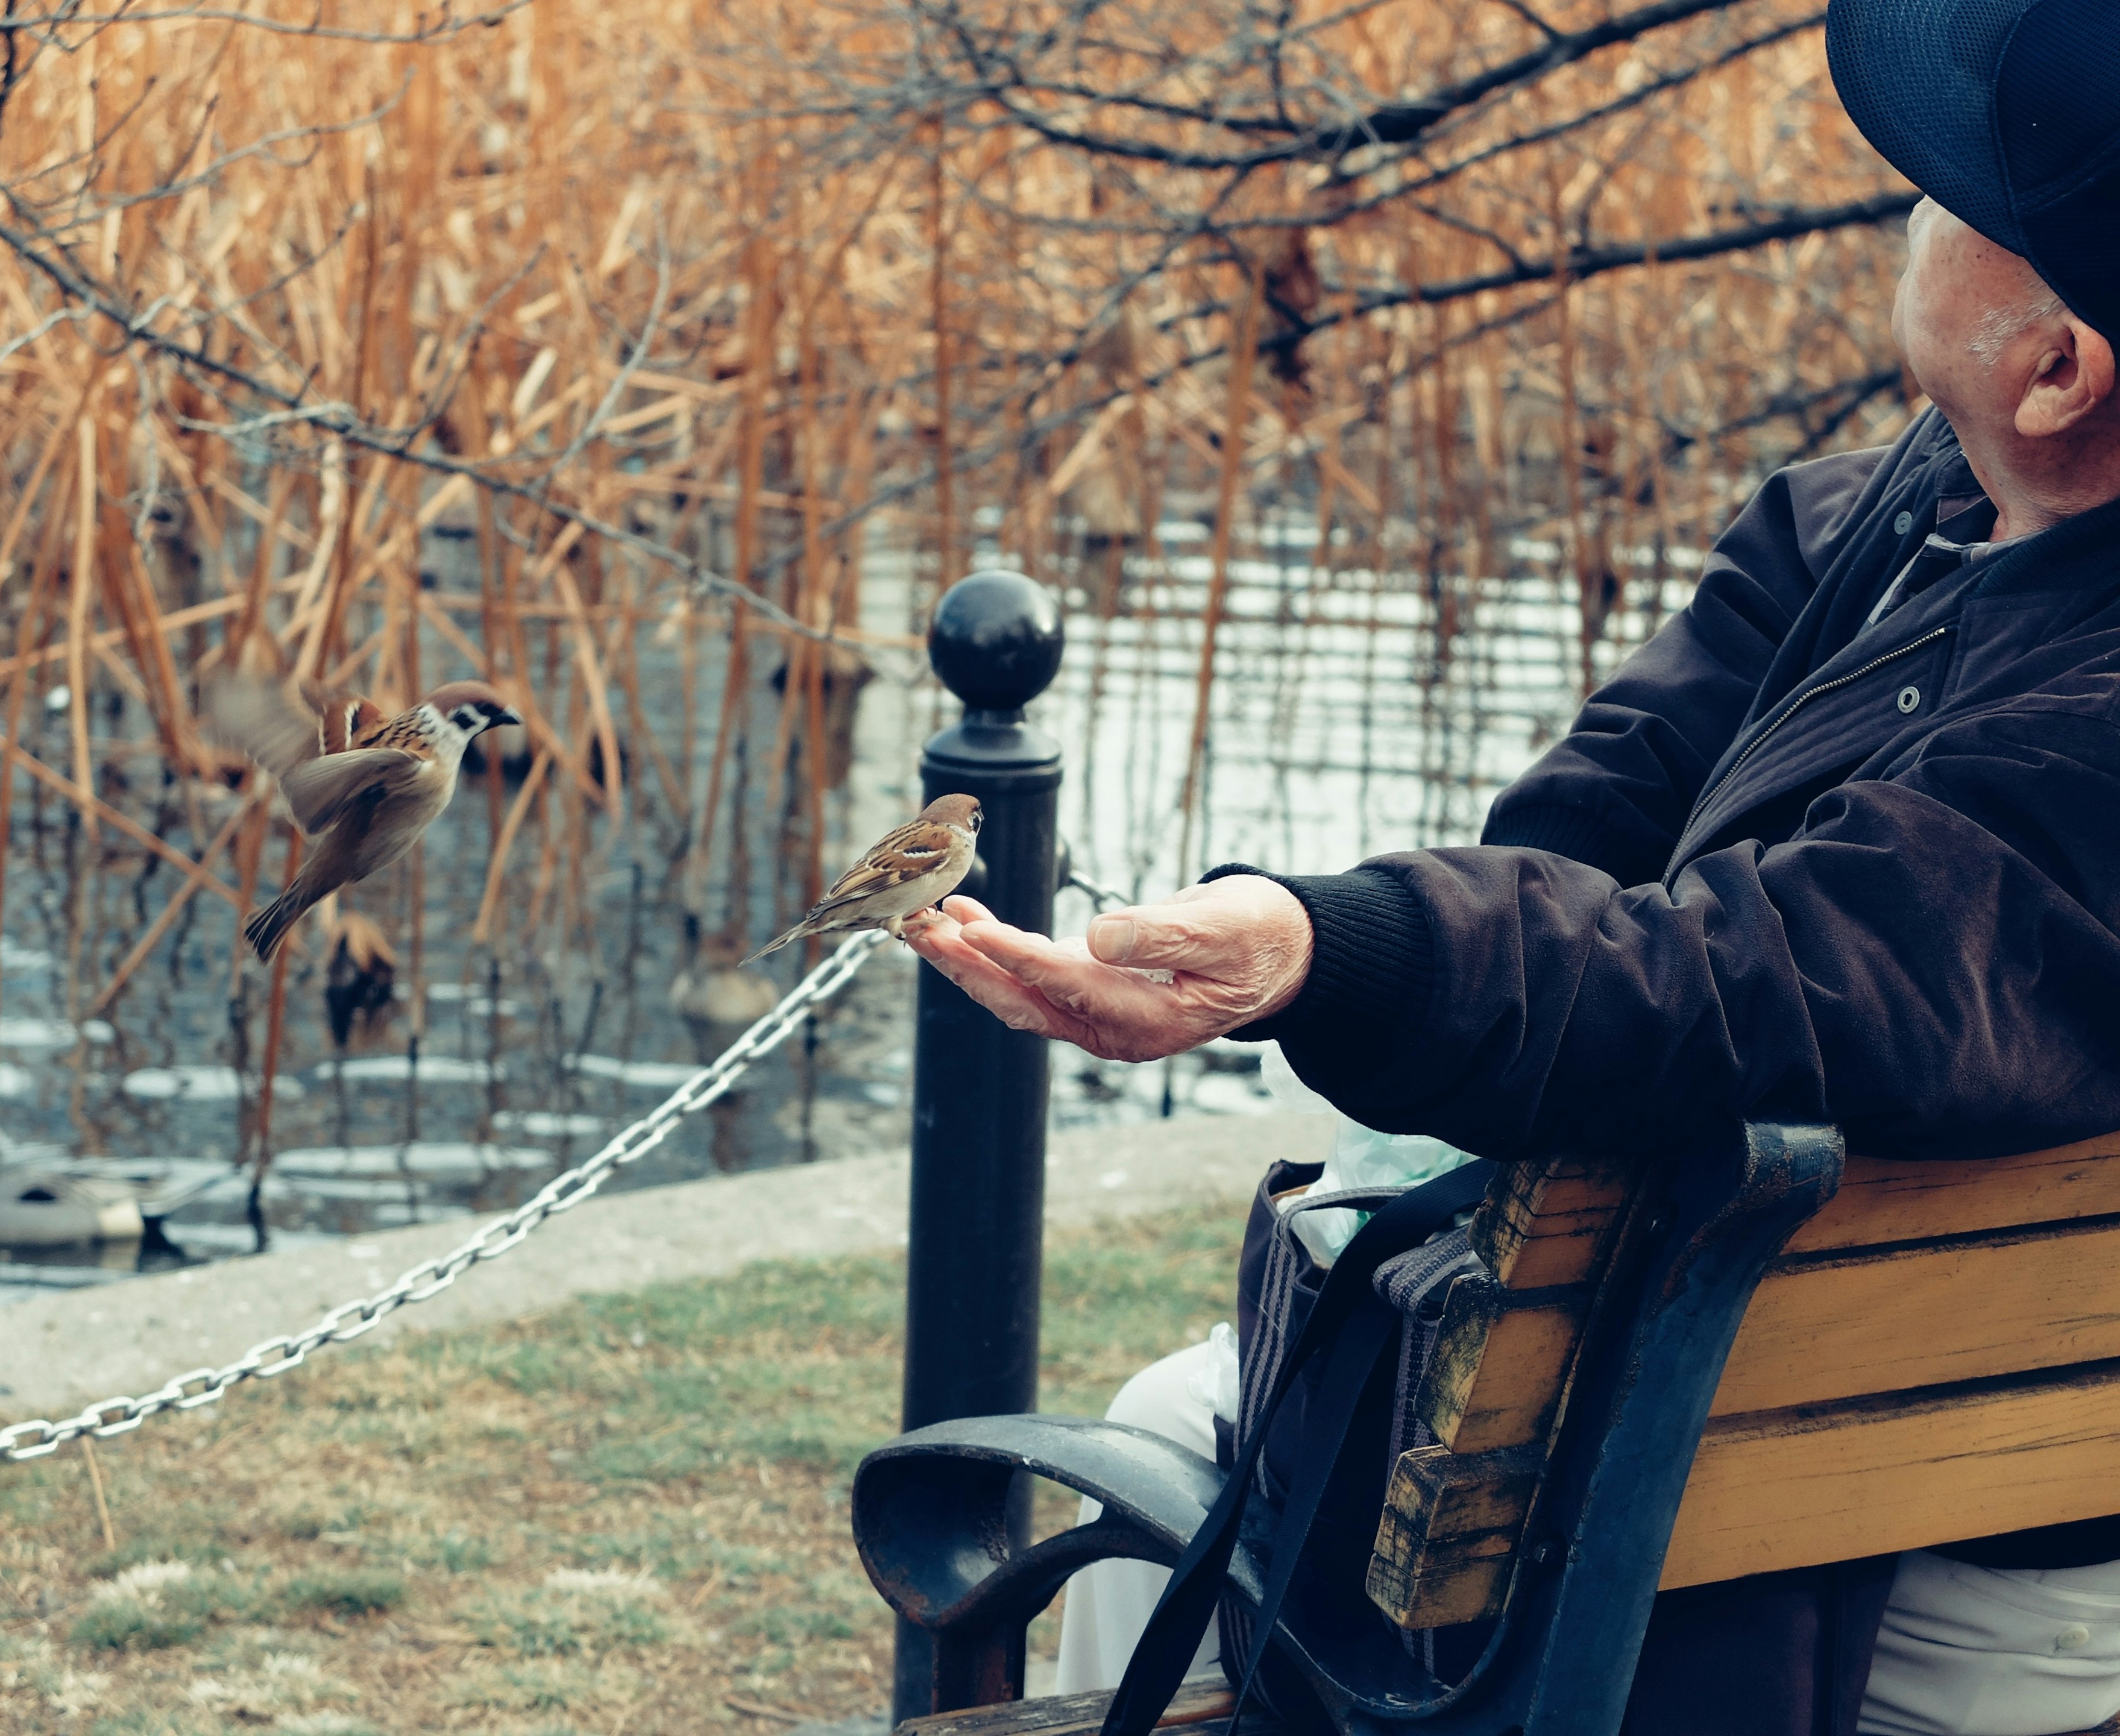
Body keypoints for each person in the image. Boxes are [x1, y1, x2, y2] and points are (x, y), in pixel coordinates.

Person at [907, 1, 2120, 1731]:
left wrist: (1340, 957)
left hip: (1884, 1544)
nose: (1910, 204)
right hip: (1852, 1449)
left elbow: (1751, 978)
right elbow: (1585, 841)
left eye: (1954, 192)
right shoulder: (1885, 519)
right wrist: (1346, 934)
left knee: (1173, 1443)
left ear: (2060, 364)